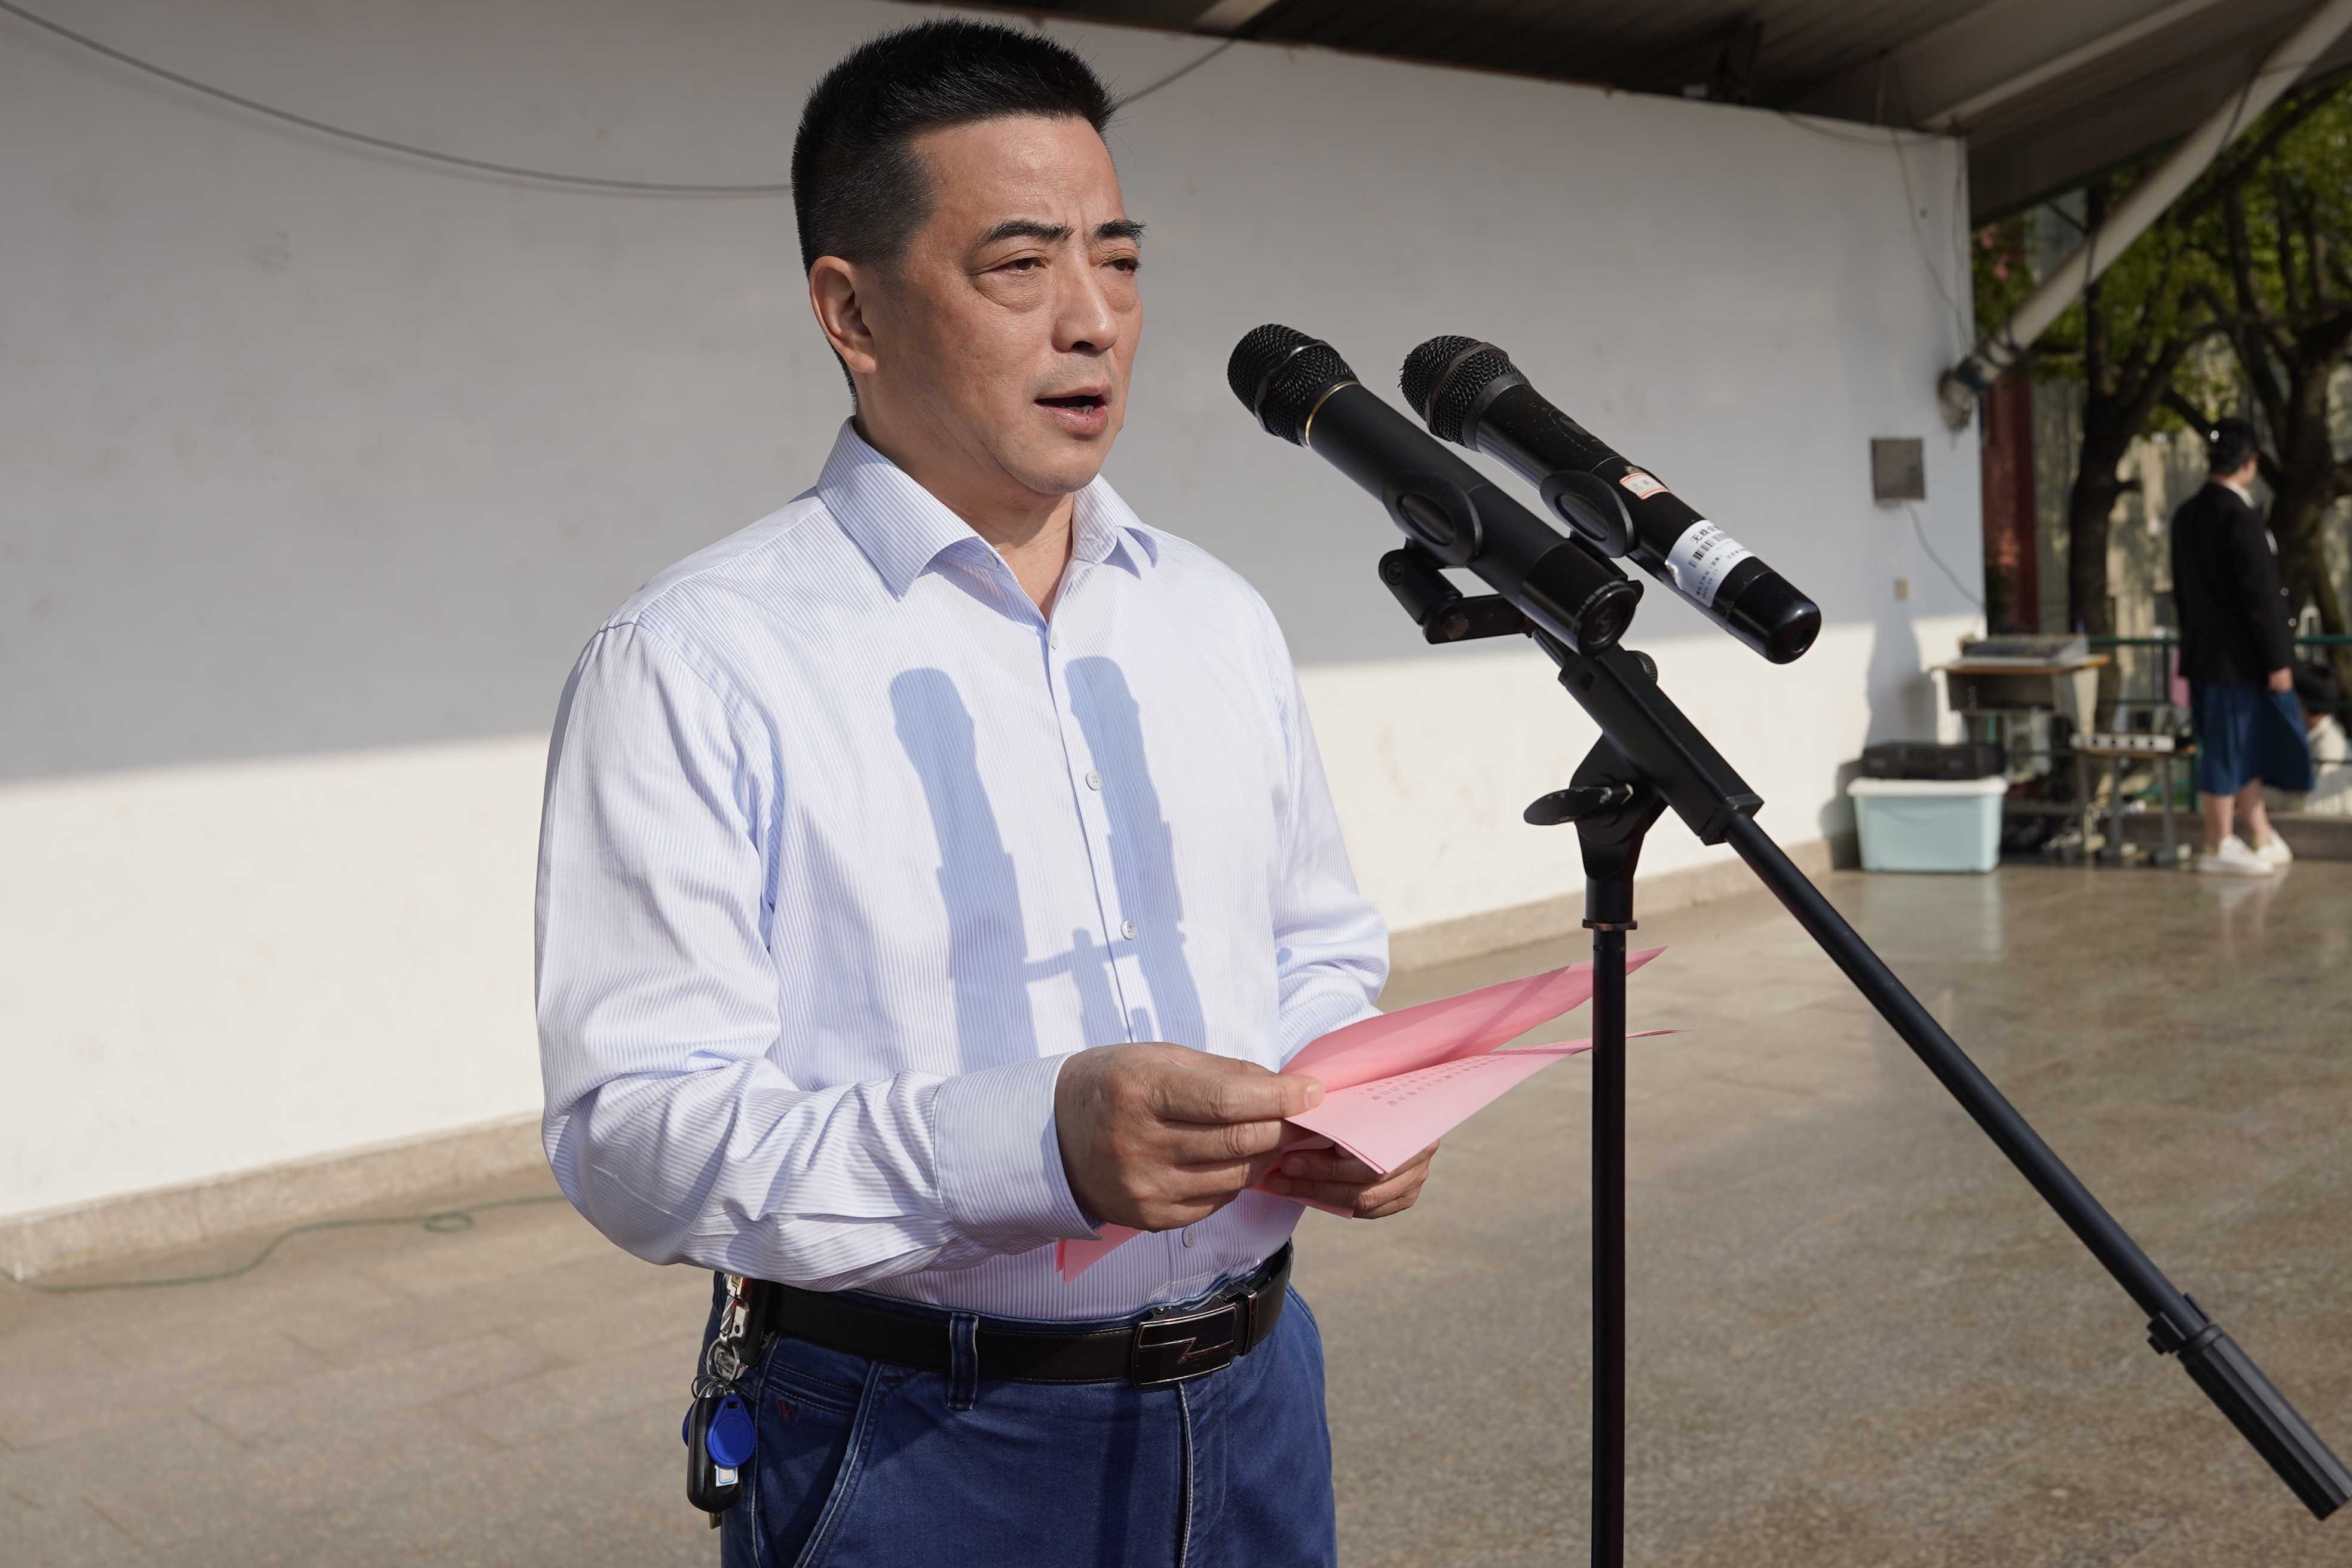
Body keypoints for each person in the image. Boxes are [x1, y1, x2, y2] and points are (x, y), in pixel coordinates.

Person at [535, 22, 1437, 1566]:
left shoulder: (1213, 614)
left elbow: (1314, 943)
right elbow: (636, 1128)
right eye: (1021, 265)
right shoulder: (698, 658)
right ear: (852, 309)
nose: (1094, 321)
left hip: (1259, 1390)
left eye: (1120, 260)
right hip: (917, 1433)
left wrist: (1339, 1096)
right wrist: (1037, 1147)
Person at [2168, 417, 2313, 876]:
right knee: (2227, 748)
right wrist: (2279, 660)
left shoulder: (2187, 515)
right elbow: (2261, 597)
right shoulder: (2240, 517)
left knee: (2240, 746)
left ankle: (2259, 830)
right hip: (2239, 658)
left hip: (2203, 651)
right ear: (2250, 464)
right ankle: (2218, 841)